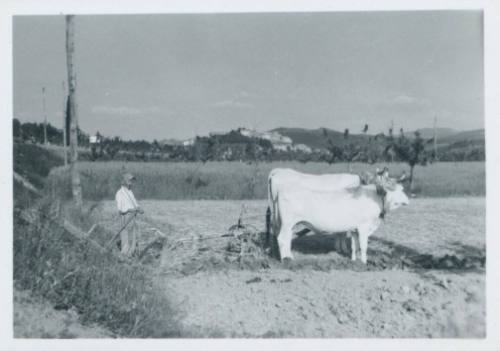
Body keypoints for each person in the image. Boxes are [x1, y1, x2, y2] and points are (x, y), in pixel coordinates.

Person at [115, 173, 144, 256]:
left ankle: (131, 255)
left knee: (133, 238)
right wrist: (130, 210)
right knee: (126, 239)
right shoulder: (120, 193)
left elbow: (135, 203)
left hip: (132, 217)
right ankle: (124, 256)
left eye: (131, 180)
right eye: (129, 180)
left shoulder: (130, 192)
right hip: (125, 218)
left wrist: (139, 208)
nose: (131, 182)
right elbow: (120, 209)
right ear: (124, 181)